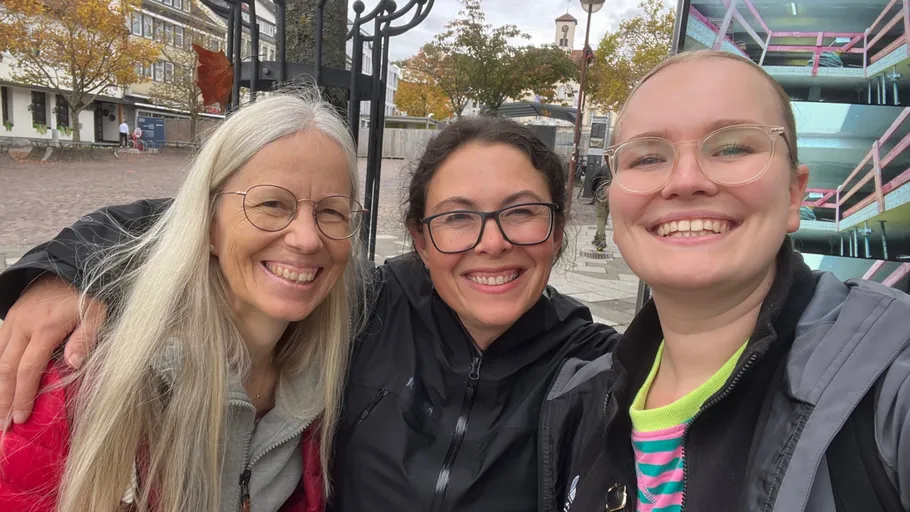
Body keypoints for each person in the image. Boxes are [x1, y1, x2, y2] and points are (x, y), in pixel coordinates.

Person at [0, 117, 619, 511]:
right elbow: (217, 218)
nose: (491, 242)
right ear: (419, 238)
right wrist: (65, 271)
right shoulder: (371, 308)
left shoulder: (595, 370)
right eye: (457, 216)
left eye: (522, 212)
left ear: (559, 231)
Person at [542, 50, 910, 512]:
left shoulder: (889, 383)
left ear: (795, 194)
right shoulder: (580, 405)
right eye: (648, 157)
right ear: (613, 206)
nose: (686, 179)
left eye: (733, 147)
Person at [0, 91, 371, 511]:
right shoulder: (83, 379)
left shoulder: (341, 370)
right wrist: (53, 271)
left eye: (332, 212)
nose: (307, 239)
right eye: (271, 204)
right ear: (207, 223)